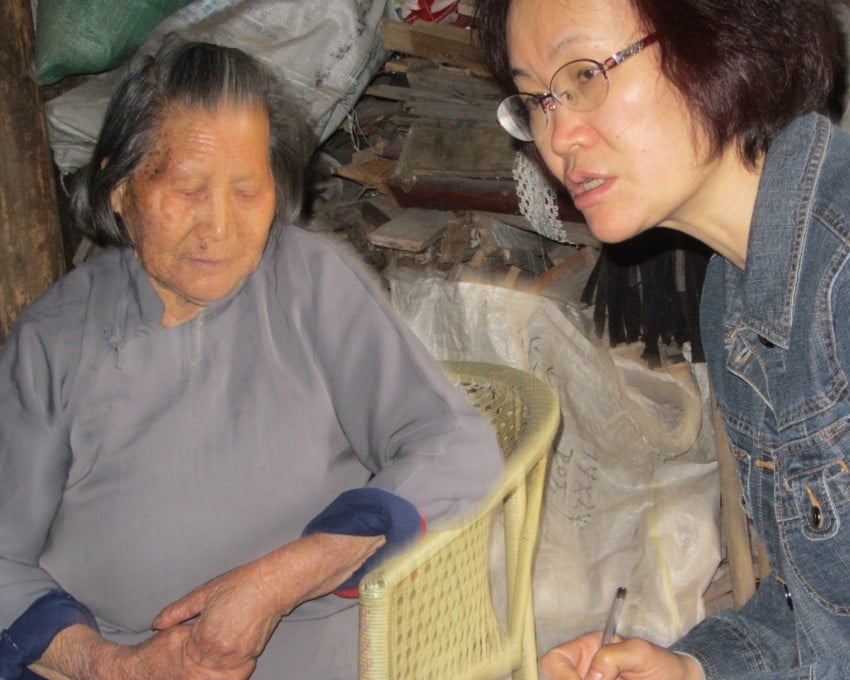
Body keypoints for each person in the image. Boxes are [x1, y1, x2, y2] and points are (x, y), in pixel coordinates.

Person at [475, 0, 850, 678]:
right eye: (535, 100)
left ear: (719, 37)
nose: (558, 138)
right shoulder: (737, 290)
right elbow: (824, 613)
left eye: (583, 75)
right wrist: (694, 670)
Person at [0, 40, 503, 679]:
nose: (219, 227)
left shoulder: (309, 283)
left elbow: (453, 443)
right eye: (187, 188)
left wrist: (288, 574)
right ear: (119, 187)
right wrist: (115, 666)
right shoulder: (54, 339)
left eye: (247, 191)